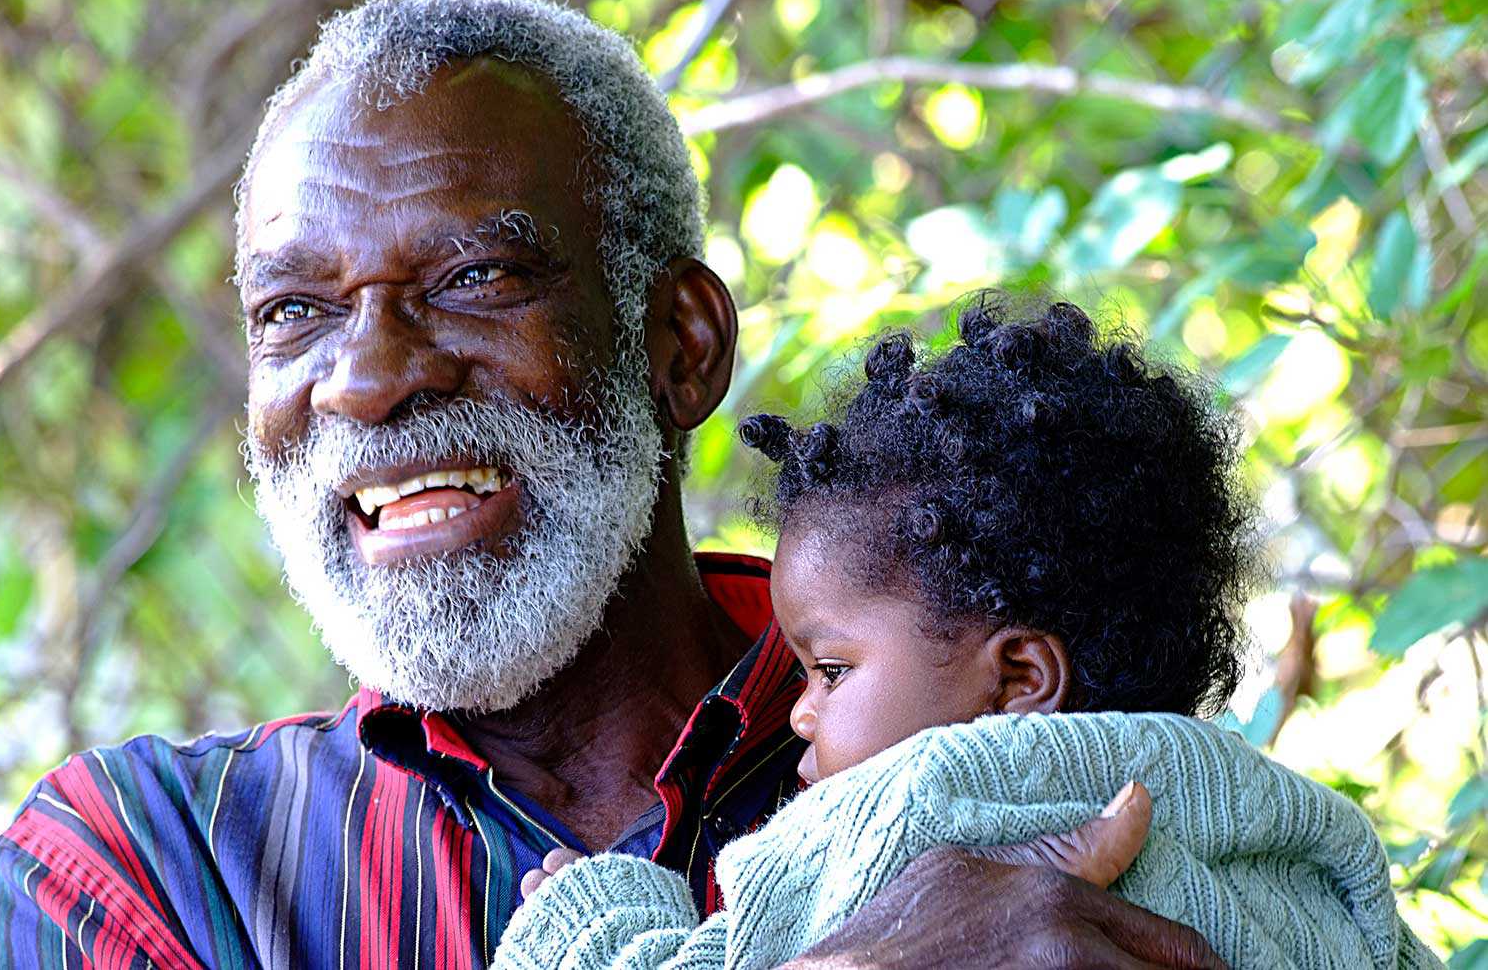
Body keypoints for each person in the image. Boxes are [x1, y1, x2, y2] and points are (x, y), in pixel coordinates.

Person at [0, 0, 1222, 968]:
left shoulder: (995, 724)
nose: (364, 380)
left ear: (680, 348)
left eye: (473, 279)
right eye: (295, 311)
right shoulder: (147, 867)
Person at [494, 299, 1442, 969]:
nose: (798, 715)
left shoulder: (924, 804)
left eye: (830, 669)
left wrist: (596, 916)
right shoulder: (1276, 818)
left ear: (1019, 677)